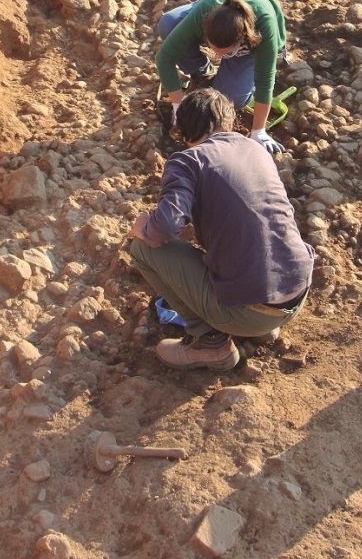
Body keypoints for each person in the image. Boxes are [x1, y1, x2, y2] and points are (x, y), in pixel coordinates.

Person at [129, 88, 314, 372]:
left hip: (252, 311)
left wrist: (143, 225)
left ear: (185, 132)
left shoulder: (187, 161)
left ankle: (210, 343)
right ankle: (260, 325)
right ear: (228, 124)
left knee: (142, 248)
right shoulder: (254, 148)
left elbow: (164, 227)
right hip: (297, 291)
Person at [156, 0, 287, 156]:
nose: (217, 55)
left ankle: (237, 74)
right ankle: (202, 72)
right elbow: (164, 57)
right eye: (213, 48)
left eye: (225, 53)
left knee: (231, 98)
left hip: (259, 24)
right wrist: (178, 107)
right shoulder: (205, 13)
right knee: (168, 24)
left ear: (241, 40)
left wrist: (258, 131)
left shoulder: (264, 28)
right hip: (221, 4)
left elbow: (265, 81)